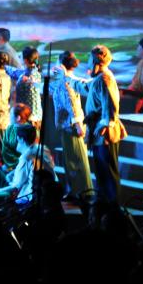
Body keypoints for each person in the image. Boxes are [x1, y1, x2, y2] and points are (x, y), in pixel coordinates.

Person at [81, 45, 127, 205]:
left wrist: (106, 124)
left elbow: (111, 104)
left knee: (108, 171)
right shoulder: (99, 78)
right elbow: (85, 86)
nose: (88, 63)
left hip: (105, 133)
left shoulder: (105, 79)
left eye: (90, 59)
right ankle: (104, 204)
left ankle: (112, 205)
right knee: (101, 170)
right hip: (98, 131)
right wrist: (68, 79)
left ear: (96, 61)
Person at [51, 51, 94, 203]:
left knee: (78, 160)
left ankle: (85, 192)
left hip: (73, 126)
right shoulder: (63, 80)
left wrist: (78, 125)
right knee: (71, 161)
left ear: (62, 64)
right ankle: (75, 191)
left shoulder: (67, 81)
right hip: (67, 126)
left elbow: (72, 104)